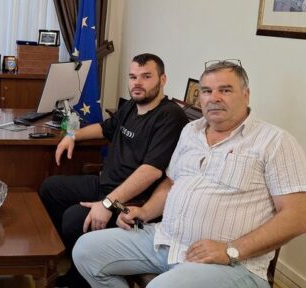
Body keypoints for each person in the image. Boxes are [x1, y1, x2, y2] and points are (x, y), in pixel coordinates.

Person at [73, 60, 306, 288]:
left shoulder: (274, 141)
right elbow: (171, 182)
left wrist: (231, 250)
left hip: (232, 263)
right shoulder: (190, 131)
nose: (214, 98)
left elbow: (298, 215)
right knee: (86, 251)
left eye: (225, 90)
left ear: (246, 95)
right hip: (165, 240)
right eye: (207, 91)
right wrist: (145, 211)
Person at [39, 53, 188, 287]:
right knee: (51, 188)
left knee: (73, 219)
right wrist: (72, 136)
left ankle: (80, 279)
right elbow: (105, 128)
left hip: (132, 202)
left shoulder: (170, 116)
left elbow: (151, 171)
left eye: (146, 76)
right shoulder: (131, 106)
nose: (137, 83)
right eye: (133, 77)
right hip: (106, 184)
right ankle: (71, 259)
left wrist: (108, 204)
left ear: (163, 79)